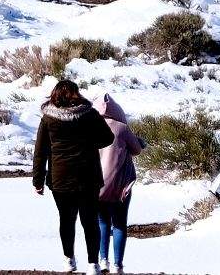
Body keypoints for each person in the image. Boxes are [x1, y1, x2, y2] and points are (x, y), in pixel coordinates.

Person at [33, 79, 114, 274]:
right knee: (90, 221)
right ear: (76, 94)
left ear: (54, 95)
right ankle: (93, 264)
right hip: (88, 176)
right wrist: (89, 144)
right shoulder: (90, 115)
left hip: (60, 178)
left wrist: (37, 180)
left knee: (66, 220)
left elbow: (40, 151)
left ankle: (69, 259)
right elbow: (108, 138)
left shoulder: (48, 118)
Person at [93, 93, 145, 275]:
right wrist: (138, 142)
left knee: (102, 223)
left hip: (96, 186)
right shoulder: (122, 128)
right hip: (120, 187)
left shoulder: (90, 129)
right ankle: (118, 265)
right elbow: (136, 150)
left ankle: (103, 260)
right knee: (120, 224)